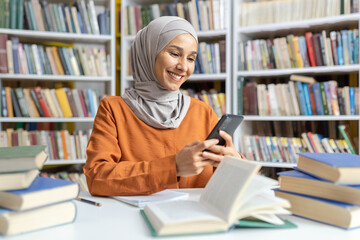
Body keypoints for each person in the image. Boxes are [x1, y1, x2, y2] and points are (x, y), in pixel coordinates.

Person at [84, 16, 242, 196]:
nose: (183, 67)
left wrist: (235, 164)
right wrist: (173, 167)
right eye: (175, 54)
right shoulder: (113, 109)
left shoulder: (203, 112)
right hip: (134, 220)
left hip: (196, 219)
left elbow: (228, 187)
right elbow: (97, 178)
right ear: (149, 52)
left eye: (191, 58)